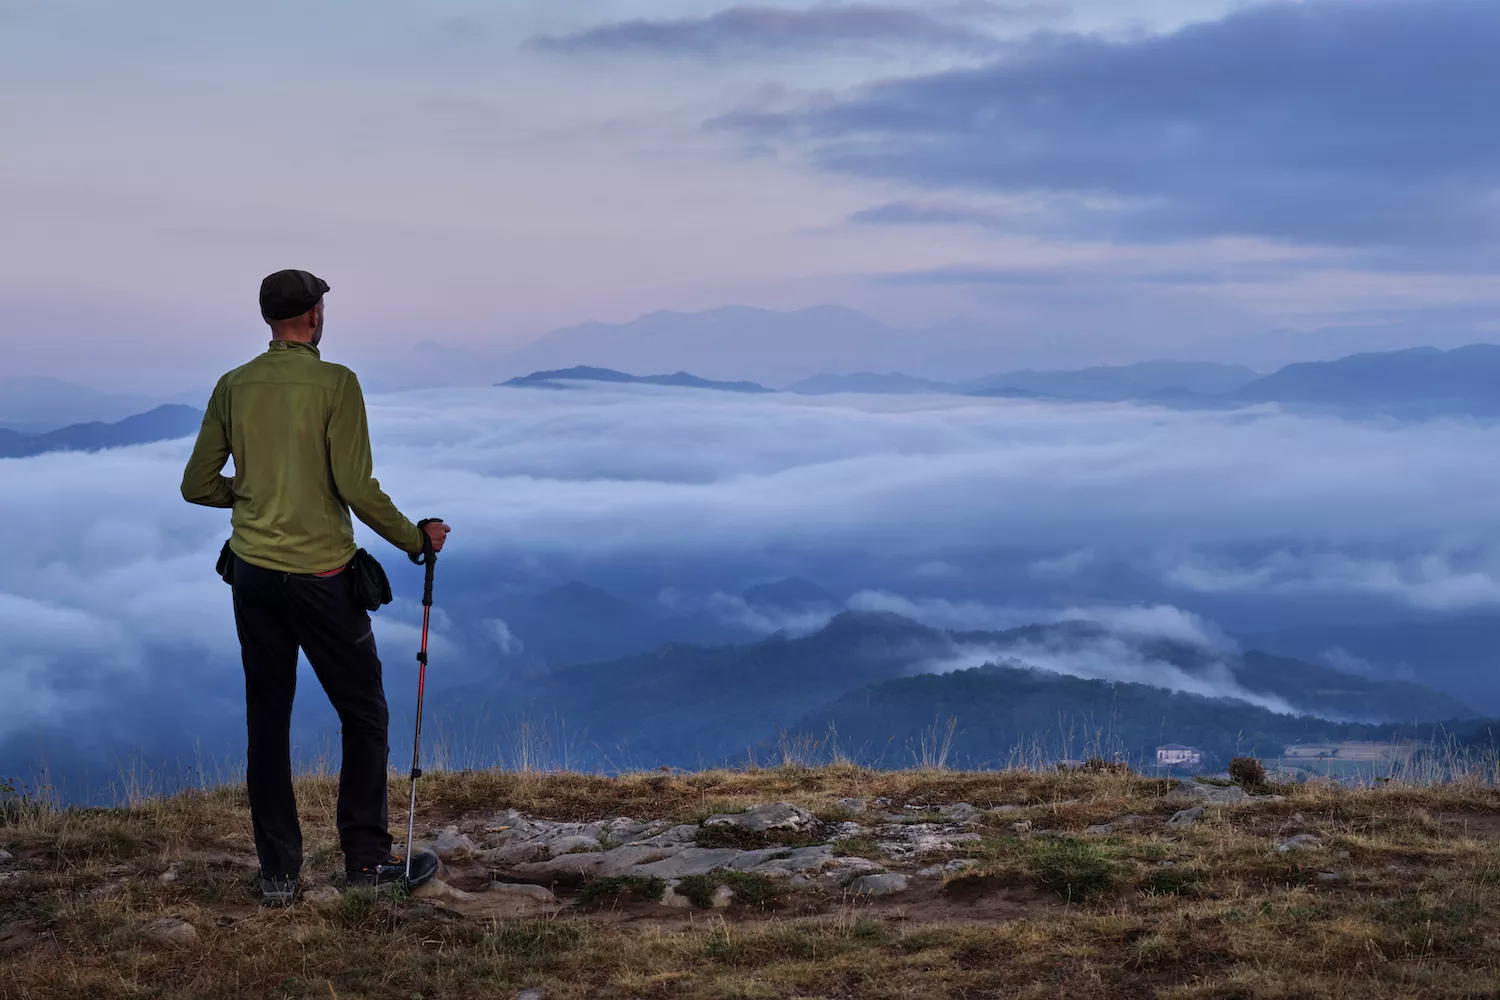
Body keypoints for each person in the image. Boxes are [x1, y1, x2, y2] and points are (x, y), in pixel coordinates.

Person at [181, 269, 450, 906]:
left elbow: (197, 484)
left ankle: (278, 875)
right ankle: (364, 864)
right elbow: (356, 487)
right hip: (323, 578)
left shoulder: (233, 385)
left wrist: (250, 496)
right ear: (313, 316)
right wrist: (416, 538)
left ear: (270, 318)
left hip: (251, 575)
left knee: (267, 720)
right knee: (363, 715)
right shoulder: (337, 384)